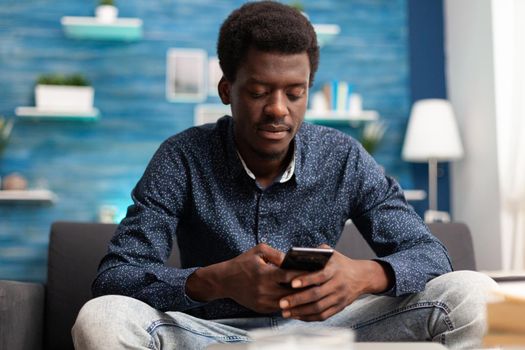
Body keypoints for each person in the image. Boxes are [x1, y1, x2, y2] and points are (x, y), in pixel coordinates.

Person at [72, 1, 496, 349]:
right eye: (258, 92)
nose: (279, 109)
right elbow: (116, 276)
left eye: (295, 93)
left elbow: (431, 255)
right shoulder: (181, 157)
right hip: (211, 334)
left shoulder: (342, 155)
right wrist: (214, 280)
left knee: (477, 295)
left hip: (331, 332)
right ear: (227, 90)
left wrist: (364, 276)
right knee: (103, 318)